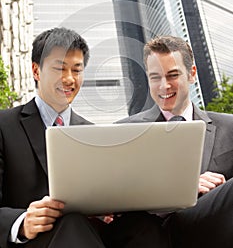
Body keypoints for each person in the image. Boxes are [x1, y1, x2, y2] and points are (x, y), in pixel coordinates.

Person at [0, 27, 169, 248]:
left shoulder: (94, 133)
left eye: (77, 70)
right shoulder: (5, 125)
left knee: (144, 226)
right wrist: (22, 223)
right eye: (60, 68)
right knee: (72, 223)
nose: (69, 79)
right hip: (38, 240)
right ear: (36, 71)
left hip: (90, 233)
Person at [117, 35, 233, 248]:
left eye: (173, 75)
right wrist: (184, 187)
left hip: (212, 229)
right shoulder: (123, 132)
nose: (164, 86)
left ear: (192, 74)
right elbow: (114, 197)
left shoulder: (230, 128)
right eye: (155, 77)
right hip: (150, 234)